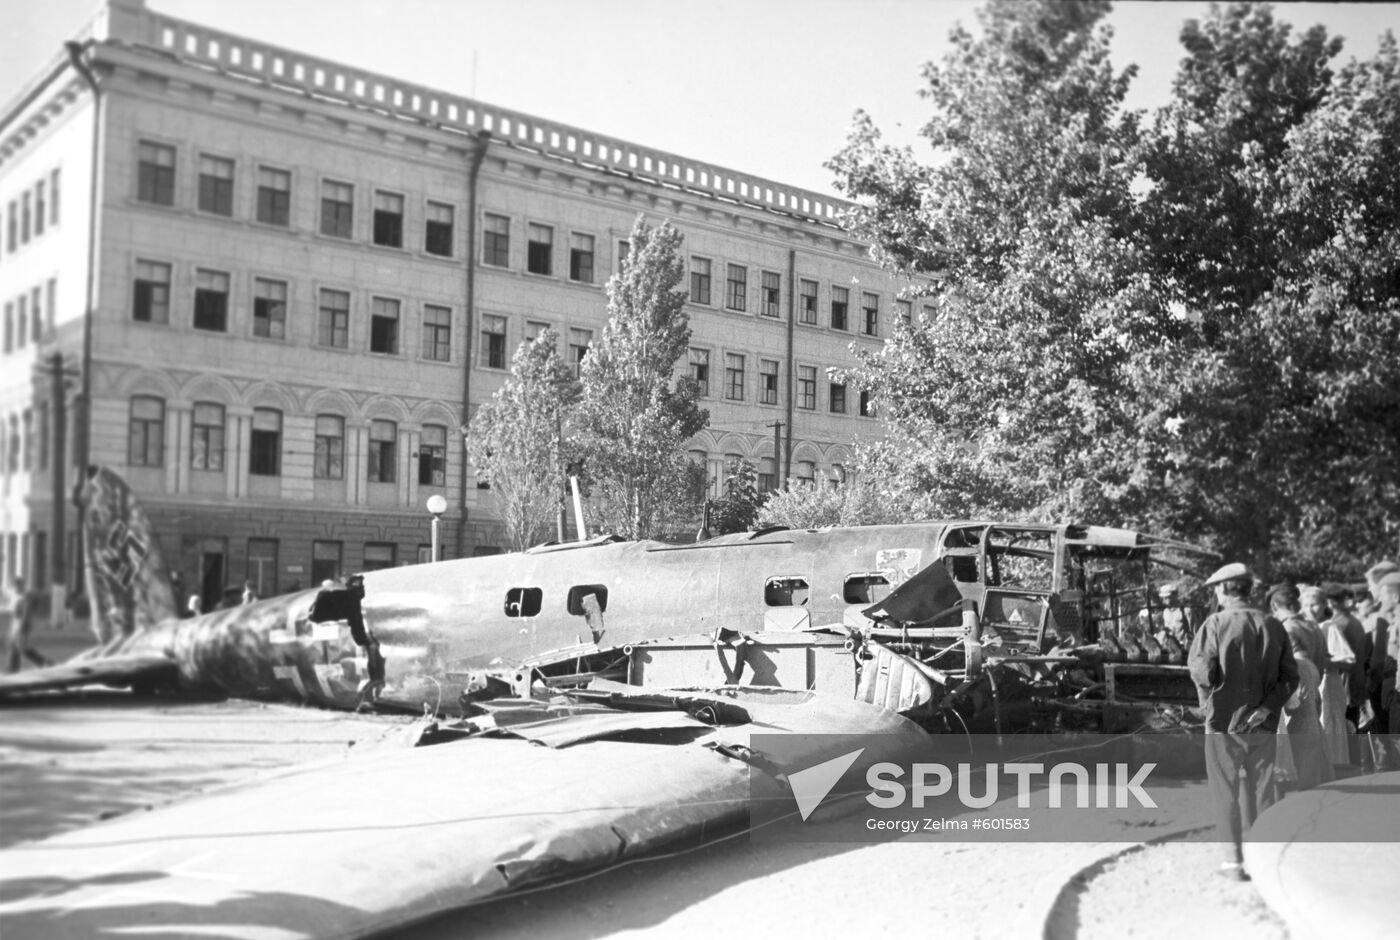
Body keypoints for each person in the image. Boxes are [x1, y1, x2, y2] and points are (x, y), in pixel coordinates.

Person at [1188, 563, 1298, 881]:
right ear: (1248, 590)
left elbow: (1202, 672)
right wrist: (1265, 708)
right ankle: (1265, 859)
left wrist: (1210, 703)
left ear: (1224, 590)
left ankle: (1233, 863)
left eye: (1217, 590)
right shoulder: (1274, 626)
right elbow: (1290, 678)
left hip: (1223, 723)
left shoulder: (1215, 624)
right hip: (1262, 722)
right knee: (1263, 789)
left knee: (1226, 791)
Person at [1268, 584, 1332, 789]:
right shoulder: (1312, 626)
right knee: (1311, 728)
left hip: (1296, 677)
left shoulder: (1284, 628)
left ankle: (1303, 789)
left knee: (1297, 733)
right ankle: (1313, 782)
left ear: (1273, 605)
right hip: (1313, 675)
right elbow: (1321, 660)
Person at [1303, 586, 1352, 768]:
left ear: (1324, 604)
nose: (1310, 609)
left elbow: (1348, 659)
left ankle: (1335, 766)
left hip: (1328, 684)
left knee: (1329, 723)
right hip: (1312, 683)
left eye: (1314, 605)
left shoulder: (1329, 628)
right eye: (1306, 605)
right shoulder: (1308, 627)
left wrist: (1324, 662)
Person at [1364, 570, 1400, 770]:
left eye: (1382, 593)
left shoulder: (1390, 621)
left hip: (1392, 690)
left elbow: (1383, 661)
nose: (1374, 593)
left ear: (1394, 596)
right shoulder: (1391, 619)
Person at [5, 578, 50, 673]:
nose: (16, 588)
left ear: (22, 585)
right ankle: (13, 668)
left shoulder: (27, 596)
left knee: (22, 647)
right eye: (15, 586)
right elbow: (14, 612)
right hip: (16, 623)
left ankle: (43, 662)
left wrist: (22, 627)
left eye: (18, 585)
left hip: (24, 624)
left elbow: (27, 613)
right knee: (13, 646)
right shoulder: (16, 595)